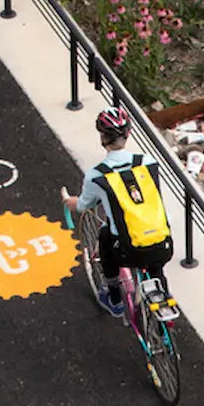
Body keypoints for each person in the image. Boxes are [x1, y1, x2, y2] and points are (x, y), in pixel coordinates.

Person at [71, 106, 173, 316]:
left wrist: (68, 201)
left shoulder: (97, 176)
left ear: (102, 137)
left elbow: (83, 205)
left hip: (129, 251)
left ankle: (114, 298)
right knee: (154, 262)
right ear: (128, 134)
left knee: (106, 236)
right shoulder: (148, 162)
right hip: (164, 244)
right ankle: (162, 297)